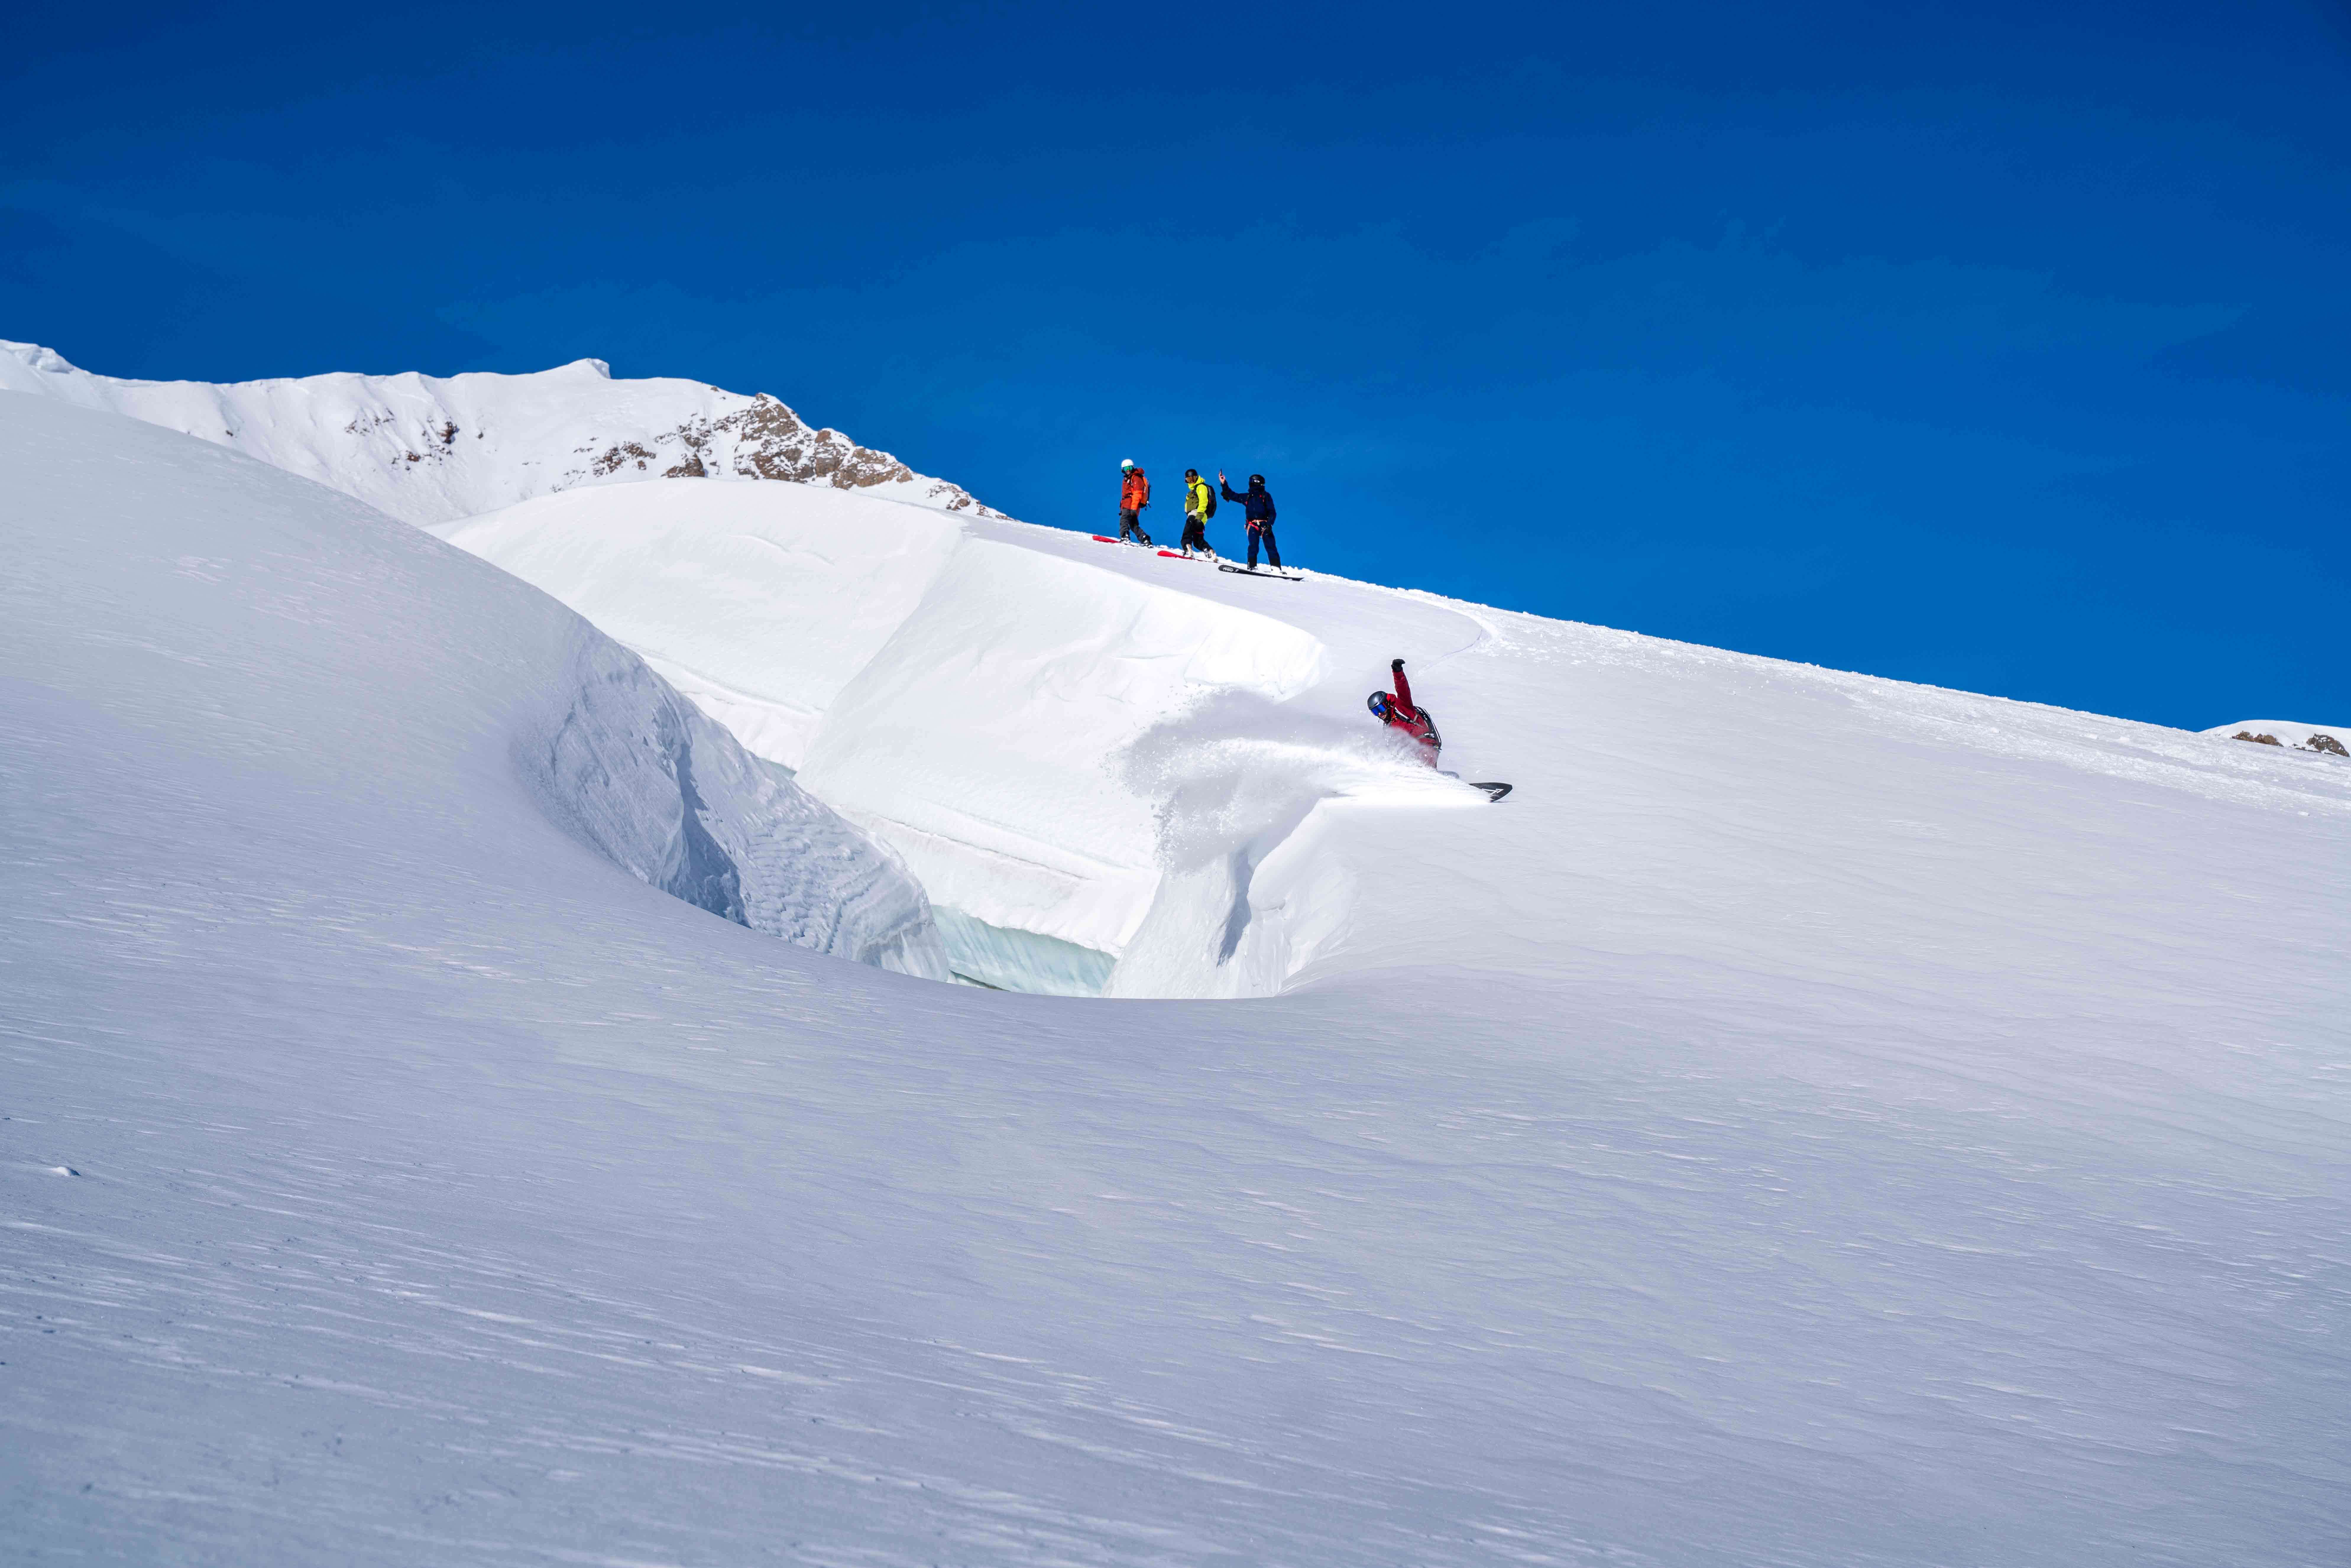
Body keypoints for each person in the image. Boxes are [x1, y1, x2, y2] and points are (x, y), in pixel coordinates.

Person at [1367, 658, 1440, 765]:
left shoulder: (1402, 708)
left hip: (1427, 746)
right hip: (1413, 754)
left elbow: (1403, 689)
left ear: (1387, 704)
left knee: (1421, 766)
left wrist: (1398, 672)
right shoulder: (1389, 726)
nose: (1379, 714)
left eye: (1381, 709)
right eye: (1375, 712)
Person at [1217, 470, 1280, 569]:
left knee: (1271, 546)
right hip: (1253, 525)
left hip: (1265, 525)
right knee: (1253, 547)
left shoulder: (1265, 496)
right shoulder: (1247, 497)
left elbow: (1272, 512)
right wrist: (1224, 483)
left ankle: (1276, 568)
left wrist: (1269, 524)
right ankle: (1252, 567)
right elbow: (1231, 495)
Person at [1180, 468, 1215, 556]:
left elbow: (1204, 502)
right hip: (1201, 517)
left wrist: (1199, 516)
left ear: (1197, 478)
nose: (1192, 481)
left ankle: (1187, 550)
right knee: (1197, 540)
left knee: (1186, 535)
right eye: (1189, 480)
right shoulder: (1192, 492)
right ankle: (1210, 552)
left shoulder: (1201, 487)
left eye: (1193, 479)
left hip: (1197, 514)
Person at [1118, 459, 1152, 545]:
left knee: (1124, 520)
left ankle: (1125, 536)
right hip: (1131, 506)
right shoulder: (1128, 479)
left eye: (1129, 468)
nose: (1128, 470)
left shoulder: (1136, 478)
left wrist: (1133, 508)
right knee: (1133, 525)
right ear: (1123, 470)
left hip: (1131, 505)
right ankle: (1145, 539)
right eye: (1126, 469)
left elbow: (1138, 494)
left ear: (1133, 468)